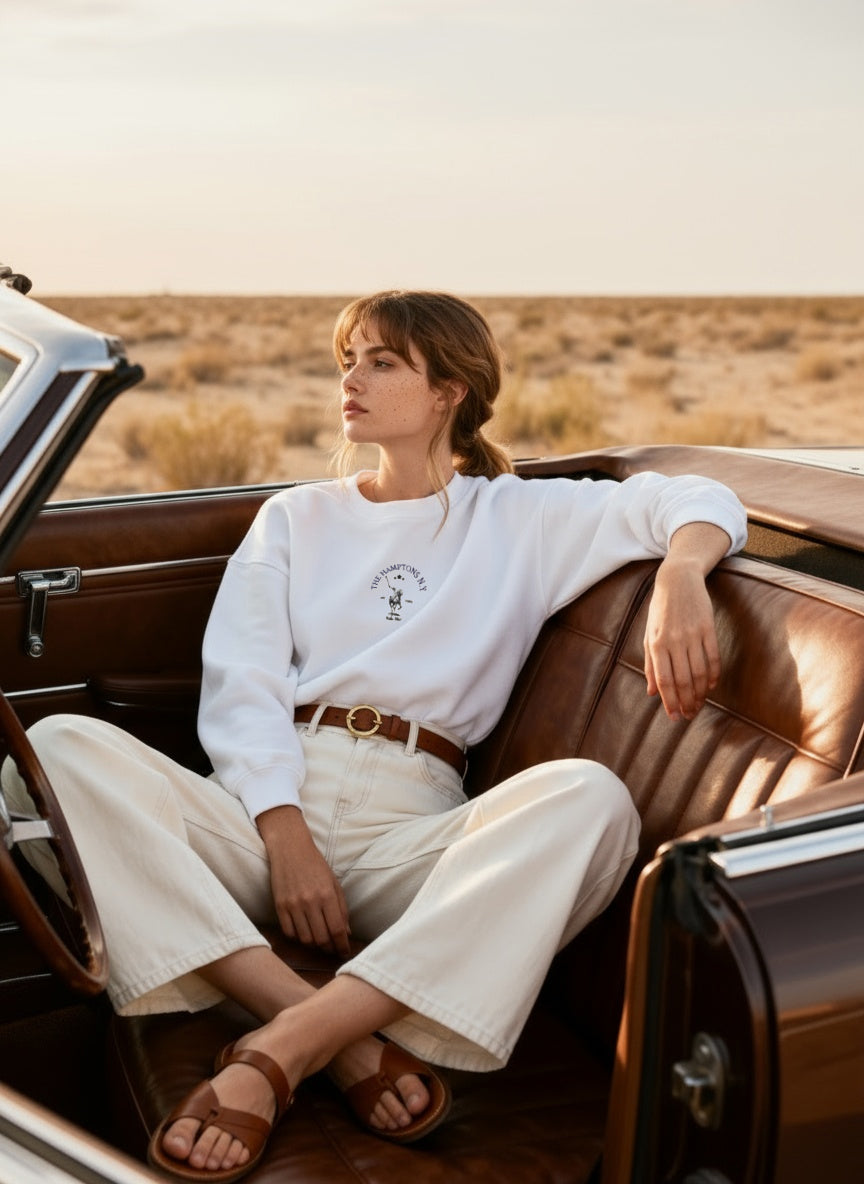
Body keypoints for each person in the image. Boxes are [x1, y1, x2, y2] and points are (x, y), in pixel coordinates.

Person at [1, 290, 747, 1183]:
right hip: (265, 811)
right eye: (346, 358)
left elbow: (697, 496)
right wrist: (284, 832)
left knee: (594, 805)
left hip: (414, 827)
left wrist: (682, 574)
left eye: (381, 361)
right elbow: (244, 683)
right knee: (54, 751)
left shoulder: (518, 516)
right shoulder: (296, 517)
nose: (350, 378)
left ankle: (283, 1044)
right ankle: (334, 1037)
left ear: (450, 392)